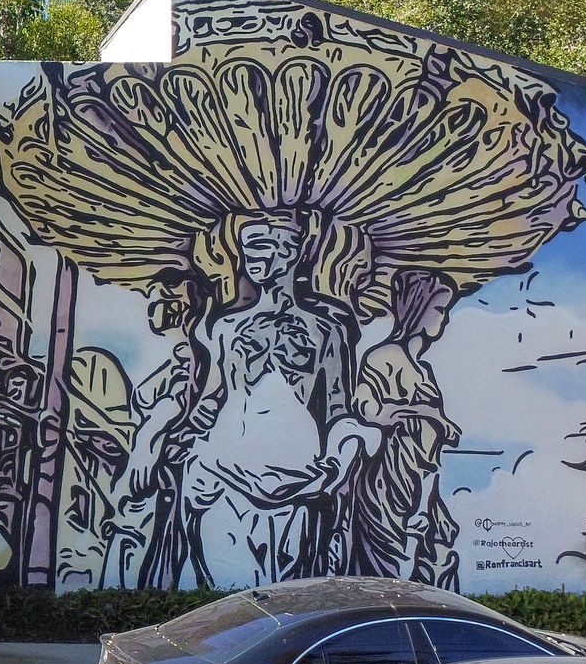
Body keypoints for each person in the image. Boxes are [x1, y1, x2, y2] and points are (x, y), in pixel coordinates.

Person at [182, 215, 371, 586]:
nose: (249, 257)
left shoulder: (326, 331)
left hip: (296, 479)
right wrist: (189, 425)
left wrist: (338, 464)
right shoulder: (226, 328)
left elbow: (338, 410)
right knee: (228, 589)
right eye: (246, 248)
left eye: (261, 246)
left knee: (289, 591)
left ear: (290, 253)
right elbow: (211, 398)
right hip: (226, 472)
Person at [344, 268, 463, 586]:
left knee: (431, 555)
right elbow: (367, 409)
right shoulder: (383, 357)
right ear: (417, 308)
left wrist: (439, 423)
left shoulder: (424, 369)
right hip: (391, 478)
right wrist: (425, 412)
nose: (444, 318)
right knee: (391, 564)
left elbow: (435, 424)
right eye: (440, 309)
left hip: (424, 477)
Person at [103, 268, 209, 590]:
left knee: (142, 550)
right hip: (150, 474)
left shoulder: (190, 355)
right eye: (151, 300)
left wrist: (147, 444)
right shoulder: (177, 353)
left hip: (157, 477)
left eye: (161, 300)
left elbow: (177, 402)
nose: (153, 309)